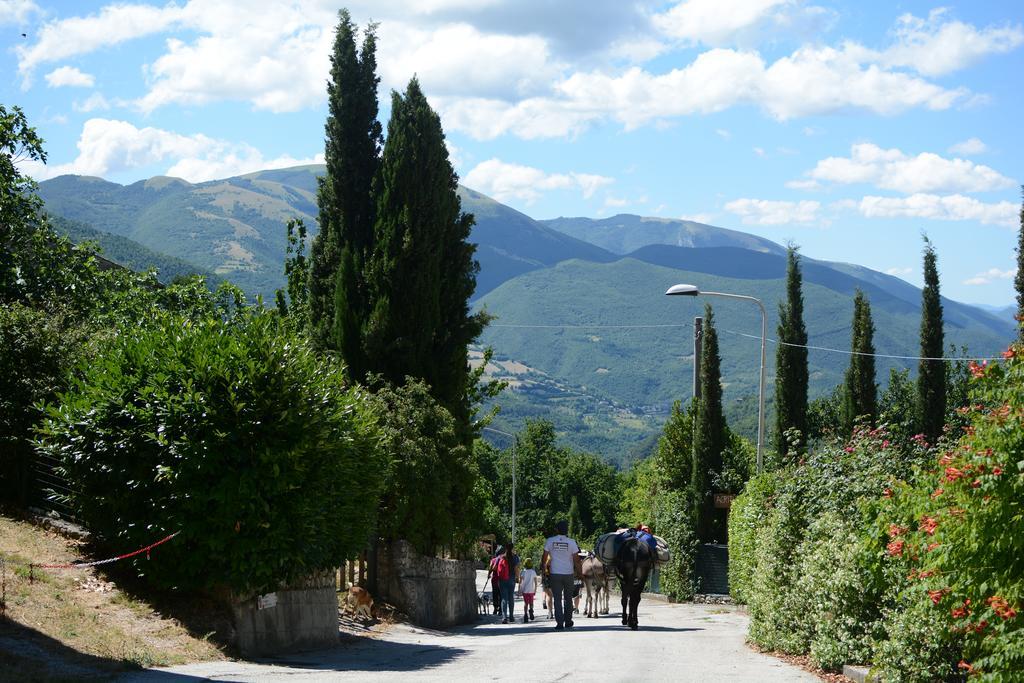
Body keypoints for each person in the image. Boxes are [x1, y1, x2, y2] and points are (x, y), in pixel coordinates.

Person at [542, 519, 581, 630]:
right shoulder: (572, 542)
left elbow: (544, 557)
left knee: (557, 599)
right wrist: (580, 573)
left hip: (555, 574)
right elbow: (577, 560)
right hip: (568, 574)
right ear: (566, 530)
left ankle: (559, 623)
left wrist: (543, 570)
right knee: (568, 599)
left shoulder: (550, 541)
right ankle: (568, 621)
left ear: (557, 529)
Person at [497, 543, 521, 624]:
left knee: (504, 598)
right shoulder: (515, 557)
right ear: (512, 548)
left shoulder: (501, 557)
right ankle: (511, 617)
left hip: (502, 579)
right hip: (511, 579)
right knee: (511, 597)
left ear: (505, 548)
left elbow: (494, 568)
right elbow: (516, 568)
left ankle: (504, 617)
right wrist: (518, 578)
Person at [519, 557, 538, 623]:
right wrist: (535, 590)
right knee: (531, 602)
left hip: (525, 590)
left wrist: (519, 590)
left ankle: (525, 615)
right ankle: (531, 610)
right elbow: (535, 582)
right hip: (531, 590)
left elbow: (520, 582)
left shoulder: (523, 572)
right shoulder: (533, 572)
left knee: (525, 603)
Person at [486, 546, 504, 615]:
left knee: (495, 594)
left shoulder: (493, 560)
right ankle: (501, 609)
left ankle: (495, 609)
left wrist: (488, 575)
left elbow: (491, 568)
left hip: (495, 580)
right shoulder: (503, 559)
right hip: (502, 579)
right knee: (501, 594)